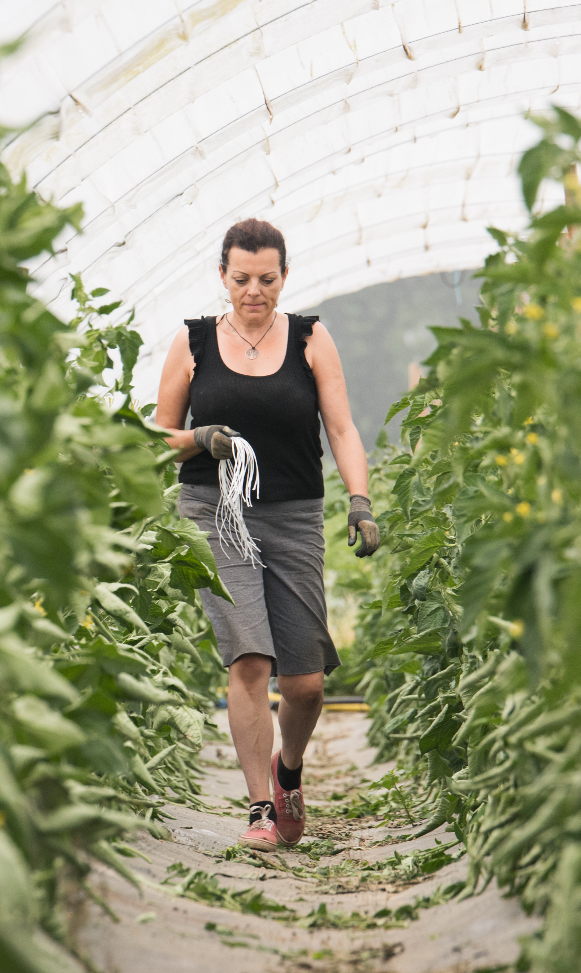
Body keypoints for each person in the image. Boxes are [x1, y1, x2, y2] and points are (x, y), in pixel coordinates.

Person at [154, 218, 382, 852]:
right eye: (241, 279)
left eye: (267, 279)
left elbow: (340, 428)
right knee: (250, 658)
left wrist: (360, 500)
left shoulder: (310, 338)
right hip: (215, 510)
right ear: (222, 277)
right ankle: (259, 806)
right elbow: (154, 436)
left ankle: (288, 772)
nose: (254, 291)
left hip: (294, 514)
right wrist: (200, 440)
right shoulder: (194, 342)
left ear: (285, 276)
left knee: (305, 682)